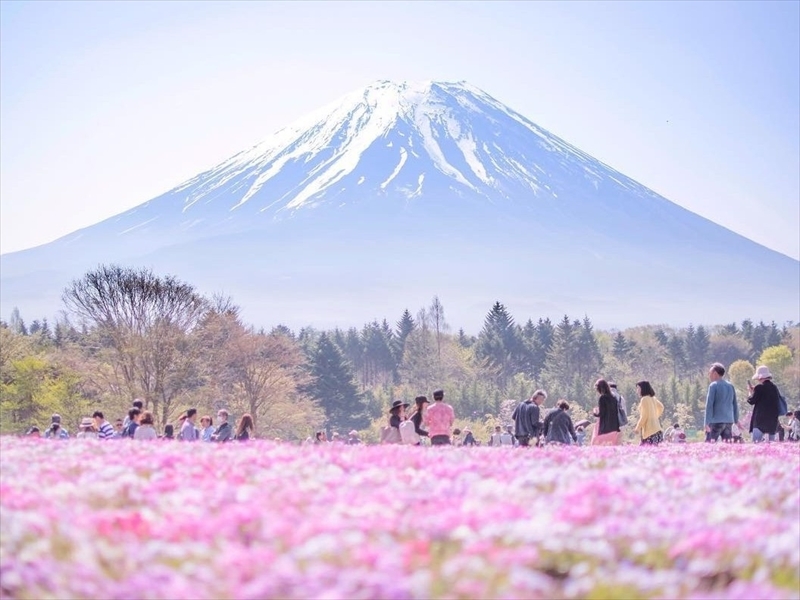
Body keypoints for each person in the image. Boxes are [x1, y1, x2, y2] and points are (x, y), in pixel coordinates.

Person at [704, 363, 738, 443]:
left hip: (716, 420)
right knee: (727, 445)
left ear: (715, 373)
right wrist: (735, 420)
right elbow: (735, 404)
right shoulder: (730, 386)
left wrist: (707, 422)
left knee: (709, 444)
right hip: (729, 420)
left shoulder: (713, 386)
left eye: (710, 373)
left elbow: (709, 405)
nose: (709, 375)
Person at [747, 366, 782, 443]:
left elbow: (751, 401)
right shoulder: (774, 387)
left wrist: (750, 392)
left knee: (756, 444)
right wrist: (755, 390)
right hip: (772, 421)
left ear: (760, 377)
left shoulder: (759, 387)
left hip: (760, 421)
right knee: (771, 446)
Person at [633, 381, 664, 445]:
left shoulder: (644, 399)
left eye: (638, 388)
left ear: (643, 388)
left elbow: (644, 416)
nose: (637, 391)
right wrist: (654, 417)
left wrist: (637, 428)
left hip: (650, 433)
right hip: (657, 430)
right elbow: (661, 407)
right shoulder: (653, 398)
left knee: (645, 453)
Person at [592, 379, 621, 444]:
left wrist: (594, 412)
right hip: (614, 427)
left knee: (604, 447)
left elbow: (601, 414)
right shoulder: (614, 398)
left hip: (605, 428)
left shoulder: (602, 398)